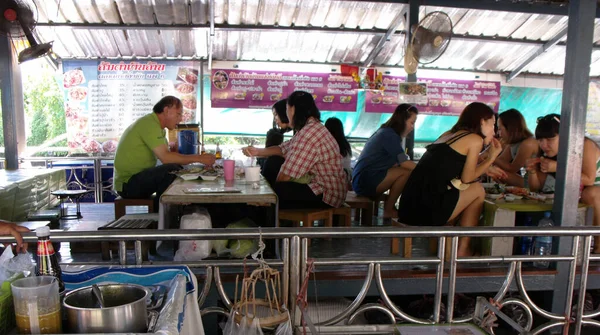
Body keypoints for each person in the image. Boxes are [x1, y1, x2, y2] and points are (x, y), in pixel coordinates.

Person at [398, 102, 503, 256]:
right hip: (425, 211)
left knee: (468, 190)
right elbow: (467, 178)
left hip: (408, 207)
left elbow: (457, 163)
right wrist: (491, 158)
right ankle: (463, 249)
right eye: (492, 124)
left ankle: (456, 247)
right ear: (481, 121)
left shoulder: (449, 134)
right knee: (478, 190)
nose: (494, 131)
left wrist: (486, 159)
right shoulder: (474, 139)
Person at [242, 91, 347, 209]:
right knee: (274, 162)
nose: (286, 114)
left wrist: (269, 194)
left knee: (279, 190)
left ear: (293, 109)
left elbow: (285, 175)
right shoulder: (310, 127)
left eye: (287, 109)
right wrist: (258, 151)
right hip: (322, 187)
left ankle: (264, 215)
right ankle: (265, 209)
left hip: (327, 194)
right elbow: (283, 149)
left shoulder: (309, 133)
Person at [113, 96, 216, 207]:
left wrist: (177, 154)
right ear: (166, 110)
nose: (180, 119)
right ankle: (163, 216)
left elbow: (169, 156)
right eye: (178, 114)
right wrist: (199, 158)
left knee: (176, 169)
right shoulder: (149, 124)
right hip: (127, 185)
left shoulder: (158, 128)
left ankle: (172, 211)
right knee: (170, 169)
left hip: (136, 180)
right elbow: (166, 158)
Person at [525, 114, 600, 252]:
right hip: (579, 195)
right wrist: (532, 171)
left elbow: (589, 179)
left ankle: (598, 246)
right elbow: (536, 188)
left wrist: (558, 167)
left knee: (590, 193)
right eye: (540, 140)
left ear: (565, 136)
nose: (544, 144)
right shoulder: (545, 153)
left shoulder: (585, 145)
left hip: (594, 191)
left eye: (550, 139)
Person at [352, 104, 418, 219]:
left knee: (404, 170)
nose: (412, 127)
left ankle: (391, 208)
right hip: (365, 182)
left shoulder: (386, 132)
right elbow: (404, 162)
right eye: (412, 123)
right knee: (405, 173)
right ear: (402, 121)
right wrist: (427, 170)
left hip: (361, 180)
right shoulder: (389, 135)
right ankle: (389, 210)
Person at [493, 109, 538, 186]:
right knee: (495, 171)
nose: (498, 133)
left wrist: (490, 156)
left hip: (535, 182)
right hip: (525, 178)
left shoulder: (528, 143)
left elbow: (512, 168)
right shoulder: (513, 142)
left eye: (500, 129)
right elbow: (502, 160)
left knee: (497, 172)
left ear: (510, 128)